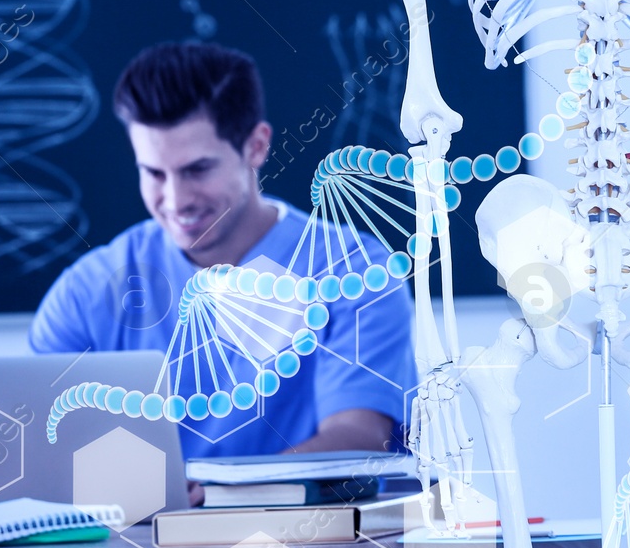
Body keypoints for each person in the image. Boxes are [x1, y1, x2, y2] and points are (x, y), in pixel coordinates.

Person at [30, 43, 415, 469]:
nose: (175, 200)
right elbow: (43, 443)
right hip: (130, 534)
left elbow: (358, 439)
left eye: (197, 170)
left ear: (256, 147)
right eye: (154, 173)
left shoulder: (356, 273)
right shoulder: (87, 291)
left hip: (304, 534)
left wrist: (212, 498)